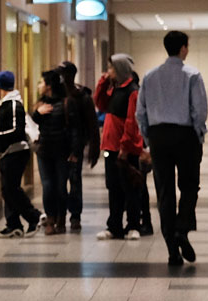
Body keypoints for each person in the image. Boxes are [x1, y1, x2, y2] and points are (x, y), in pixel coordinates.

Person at [137, 30, 208, 266]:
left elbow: (141, 112)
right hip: (185, 134)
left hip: (158, 136)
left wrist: (149, 137)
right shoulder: (192, 75)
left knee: (164, 191)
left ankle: (172, 250)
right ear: (183, 48)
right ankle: (181, 228)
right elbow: (199, 110)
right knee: (189, 186)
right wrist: (198, 133)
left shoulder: (149, 76)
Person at [0, 71, 45, 237]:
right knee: (6, 189)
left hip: (17, 152)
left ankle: (34, 216)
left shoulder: (14, 104)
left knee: (12, 189)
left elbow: (16, 132)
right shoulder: (5, 103)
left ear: (1, 86)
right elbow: (5, 130)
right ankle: (13, 224)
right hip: (7, 152)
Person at [94, 54, 145, 241]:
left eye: (112, 69)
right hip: (111, 147)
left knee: (130, 189)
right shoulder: (114, 89)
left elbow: (132, 122)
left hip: (126, 149)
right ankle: (114, 226)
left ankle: (133, 226)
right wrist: (102, 82)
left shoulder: (132, 91)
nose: (109, 72)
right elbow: (100, 103)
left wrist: (125, 148)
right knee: (113, 187)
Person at [56, 60, 101, 232]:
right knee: (59, 183)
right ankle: (60, 216)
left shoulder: (82, 96)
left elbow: (92, 125)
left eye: (63, 73)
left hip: (75, 146)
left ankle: (75, 216)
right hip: (58, 146)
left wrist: (94, 149)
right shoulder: (56, 95)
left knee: (74, 181)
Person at [31, 69, 77, 235]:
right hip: (44, 151)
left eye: (42, 82)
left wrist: (74, 150)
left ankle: (61, 218)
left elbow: (73, 128)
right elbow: (30, 124)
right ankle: (50, 219)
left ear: (49, 85)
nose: (39, 85)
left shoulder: (65, 103)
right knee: (48, 186)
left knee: (60, 187)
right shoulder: (40, 104)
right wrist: (37, 113)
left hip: (61, 151)